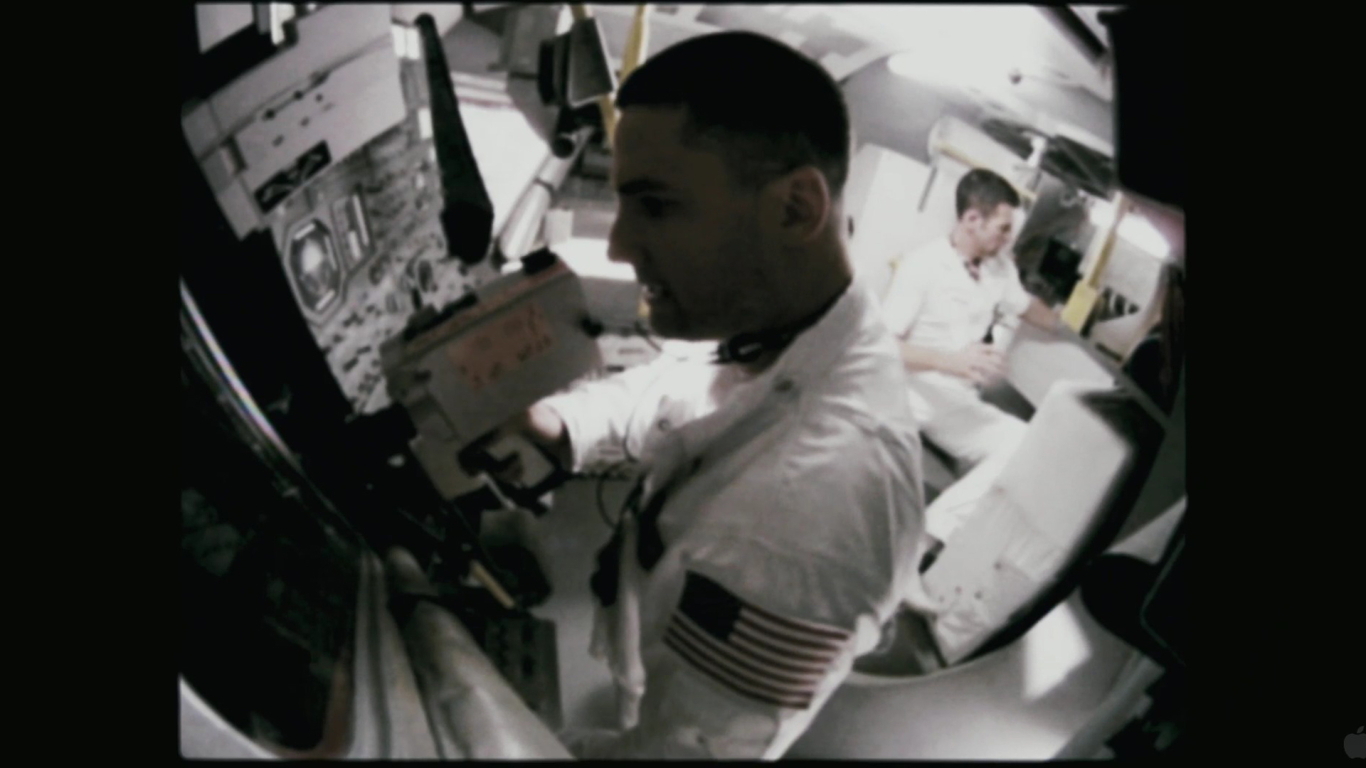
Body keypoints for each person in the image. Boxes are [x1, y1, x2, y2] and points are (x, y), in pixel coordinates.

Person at [488, 32, 924, 759]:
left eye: (656, 206)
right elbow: (674, 390)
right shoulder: (778, 320)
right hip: (649, 647)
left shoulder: (809, 511)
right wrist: (556, 422)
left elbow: (683, 757)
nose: (620, 246)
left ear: (795, 210)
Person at [880, 169, 1059, 562]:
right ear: (972, 219)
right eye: (1003, 228)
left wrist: (1067, 329)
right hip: (910, 391)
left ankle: (927, 538)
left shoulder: (999, 269)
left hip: (953, 399)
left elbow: (1027, 306)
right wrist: (952, 362)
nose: (1007, 238)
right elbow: (885, 345)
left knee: (1024, 442)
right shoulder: (923, 265)